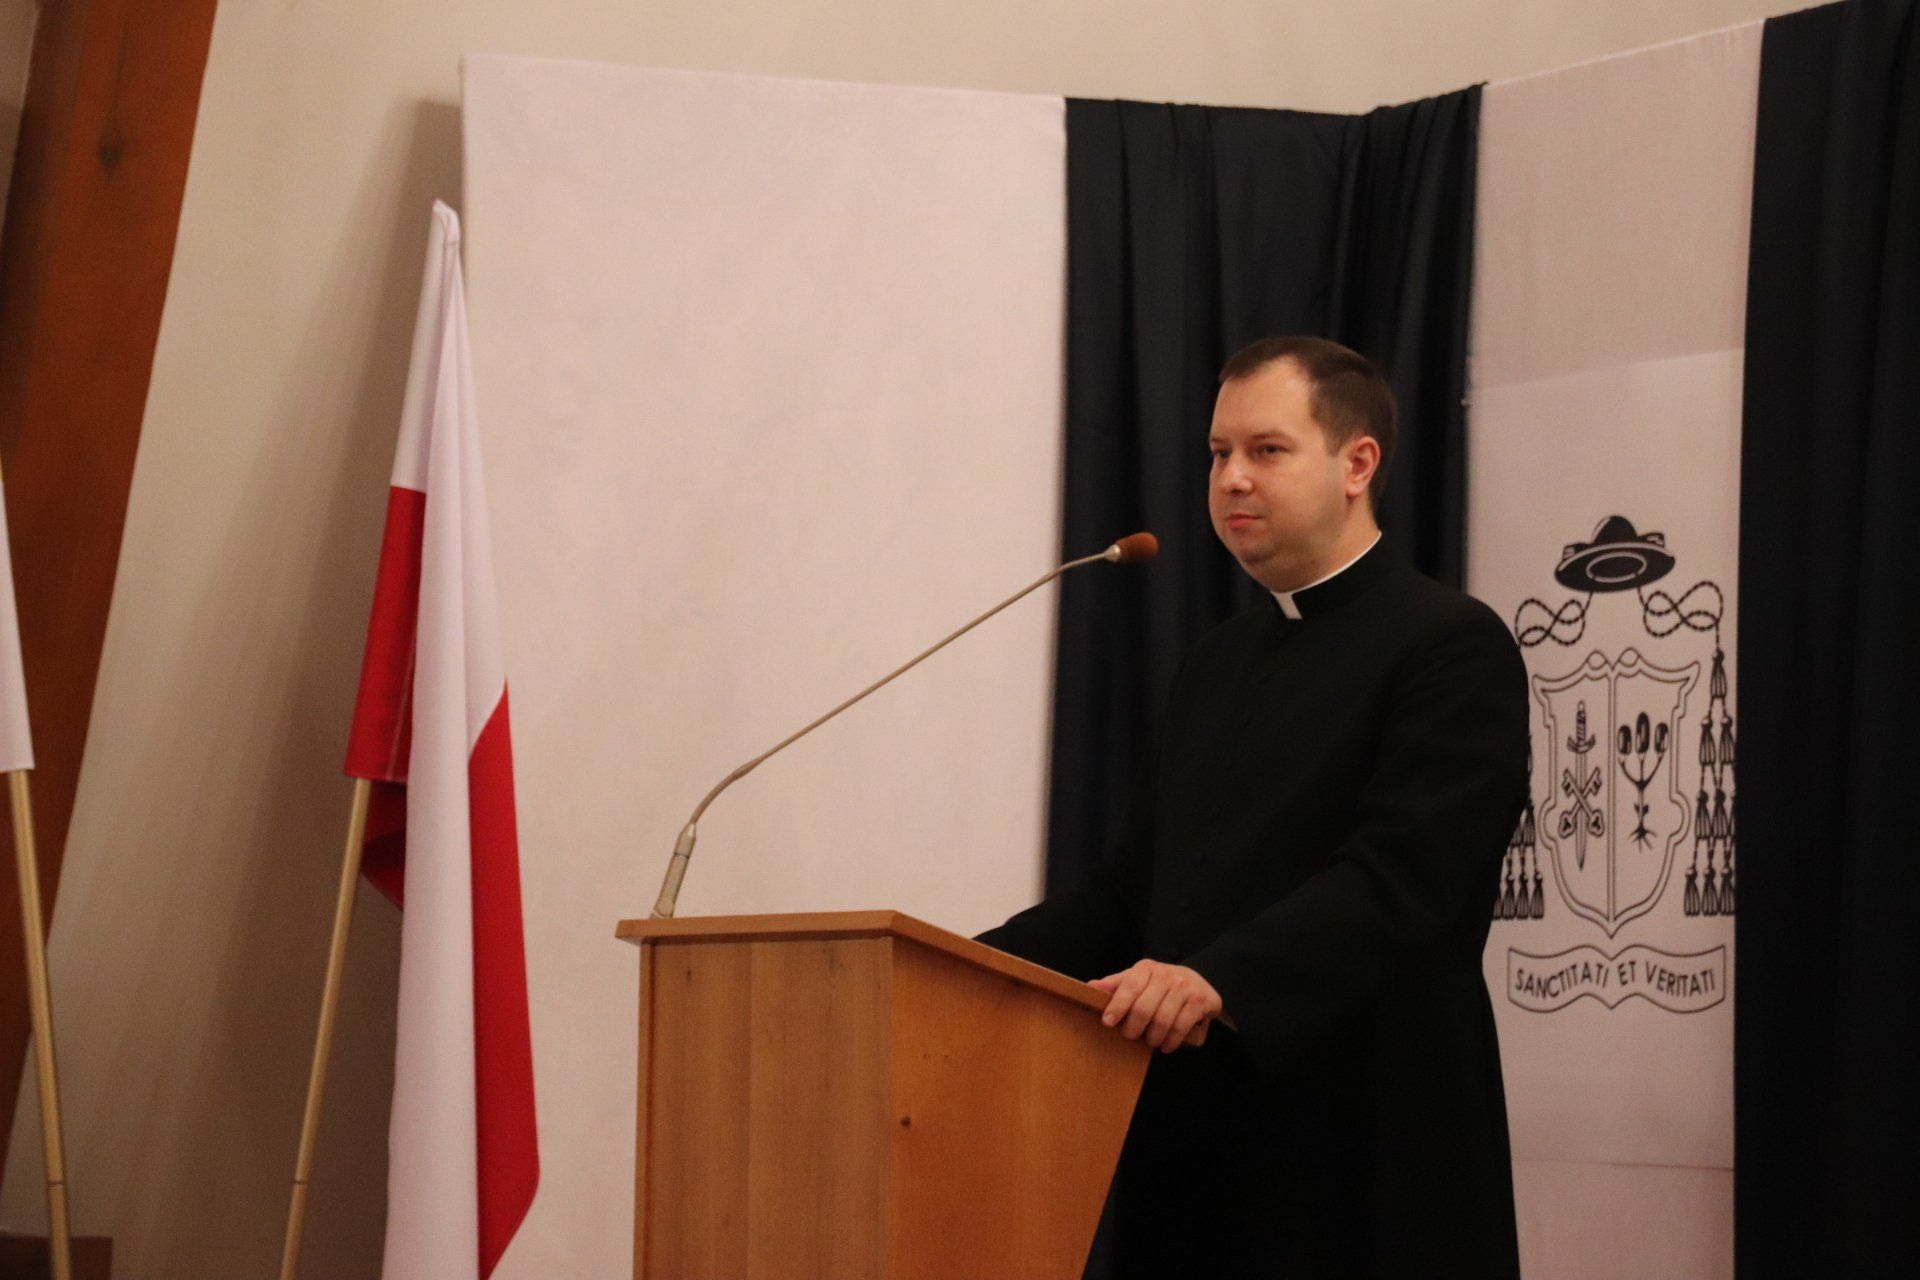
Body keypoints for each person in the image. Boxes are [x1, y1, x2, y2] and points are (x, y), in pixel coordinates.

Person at [977, 335, 1528, 1277]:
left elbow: (1404, 879)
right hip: (1197, 1149)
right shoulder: (1216, 663)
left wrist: (1216, 979)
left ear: (1358, 464)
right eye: (1218, 452)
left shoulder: (1450, 646)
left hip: (1367, 1148)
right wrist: (959, 968)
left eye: (1266, 450)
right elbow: (1132, 891)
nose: (1231, 477)